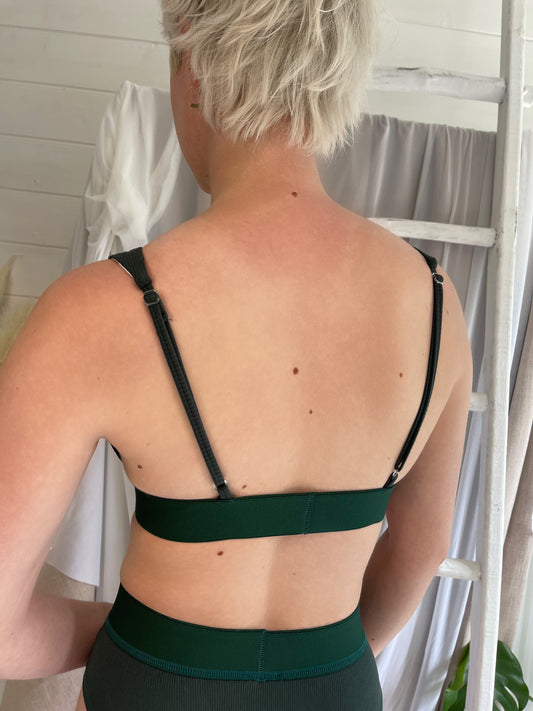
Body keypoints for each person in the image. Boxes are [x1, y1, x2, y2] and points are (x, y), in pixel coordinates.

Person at [0, 0, 473, 709]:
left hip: (153, 684)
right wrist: (322, 665)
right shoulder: (436, 304)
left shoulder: (96, 309)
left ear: (192, 62)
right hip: (336, 687)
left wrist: (138, 639)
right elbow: (421, 548)